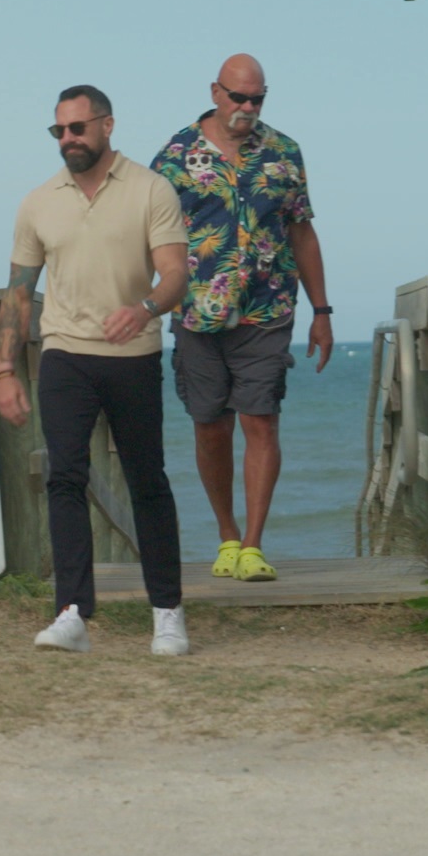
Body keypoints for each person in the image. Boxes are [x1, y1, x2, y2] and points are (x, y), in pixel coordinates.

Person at [0, 85, 191, 656]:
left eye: (77, 128)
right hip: (65, 353)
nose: (68, 139)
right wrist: (4, 369)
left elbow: (176, 274)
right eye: (58, 130)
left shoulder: (151, 189)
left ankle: (167, 612)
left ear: (107, 126)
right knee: (64, 477)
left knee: (146, 481)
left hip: (134, 356)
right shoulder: (38, 202)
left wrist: (145, 309)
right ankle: (72, 613)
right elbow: (19, 291)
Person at [149, 54, 332, 584]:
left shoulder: (284, 152)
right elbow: (152, 237)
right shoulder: (175, 156)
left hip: (267, 309)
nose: (248, 108)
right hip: (196, 313)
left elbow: (302, 231)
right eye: (239, 97)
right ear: (215, 92)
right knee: (210, 427)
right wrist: (144, 305)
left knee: (261, 419)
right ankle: (227, 535)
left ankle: (253, 545)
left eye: (258, 99)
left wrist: (322, 311)